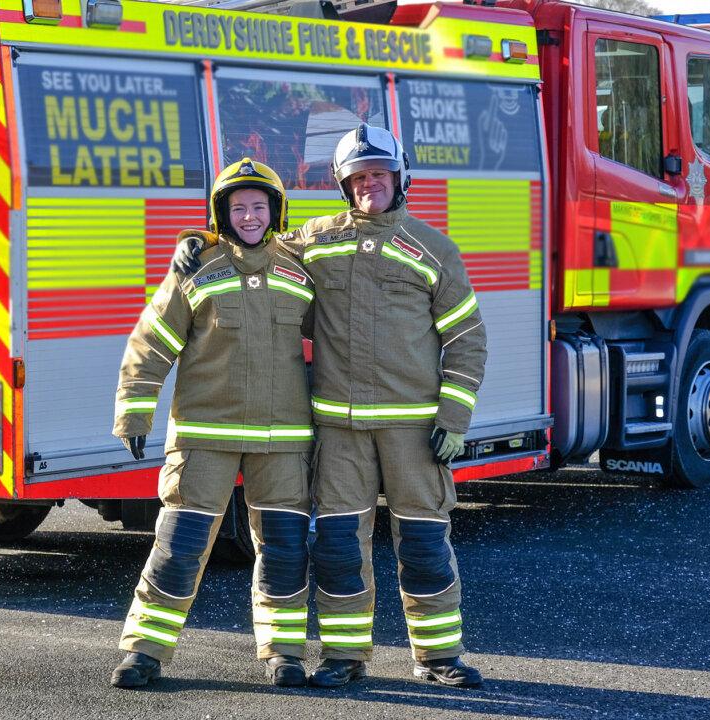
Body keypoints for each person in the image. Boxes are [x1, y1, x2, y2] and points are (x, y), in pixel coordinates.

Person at [174, 125, 488, 689]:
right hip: (339, 430)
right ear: (345, 186)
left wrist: (453, 418)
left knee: (423, 543)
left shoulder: (434, 249)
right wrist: (202, 239)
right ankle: (345, 656)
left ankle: (439, 655)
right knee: (340, 546)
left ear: (400, 178)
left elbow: (466, 336)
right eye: (359, 178)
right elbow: (255, 239)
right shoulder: (317, 239)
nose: (370, 185)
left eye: (379, 174)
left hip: (415, 430)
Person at [111, 158, 316, 689]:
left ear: (276, 211)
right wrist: (134, 410)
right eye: (238, 207)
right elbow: (151, 341)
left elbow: (342, 331)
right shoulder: (196, 268)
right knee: (178, 548)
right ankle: (143, 652)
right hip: (204, 436)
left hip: (282, 441)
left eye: (259, 206)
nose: (249, 216)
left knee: (284, 551)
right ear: (221, 214)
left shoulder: (299, 270)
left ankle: (284, 653)